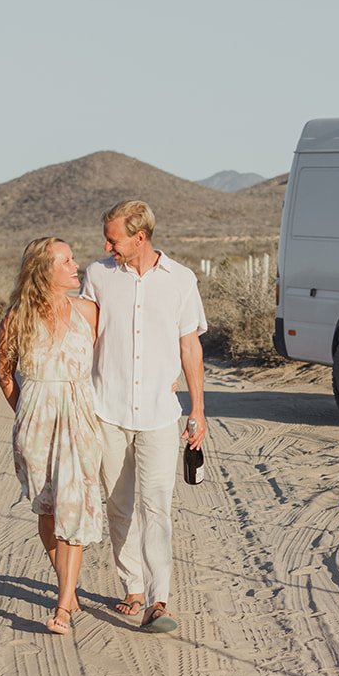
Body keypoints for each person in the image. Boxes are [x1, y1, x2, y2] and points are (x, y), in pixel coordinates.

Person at [80, 200, 207, 635]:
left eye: (113, 238)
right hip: (107, 411)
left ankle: (158, 600)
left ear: (139, 237)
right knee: (118, 504)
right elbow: (83, 336)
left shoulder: (181, 280)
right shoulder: (97, 276)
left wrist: (198, 408)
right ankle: (133, 587)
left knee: (157, 506)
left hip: (158, 414)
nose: (106, 245)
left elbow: (190, 347)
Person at [0, 237, 104, 634]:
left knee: (74, 507)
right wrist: (25, 413)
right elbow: (5, 373)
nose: (76, 266)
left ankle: (63, 607)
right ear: (44, 271)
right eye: (67, 261)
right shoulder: (17, 318)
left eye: (73, 259)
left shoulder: (88, 312)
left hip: (79, 419)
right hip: (36, 425)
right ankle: (68, 585)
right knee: (48, 510)